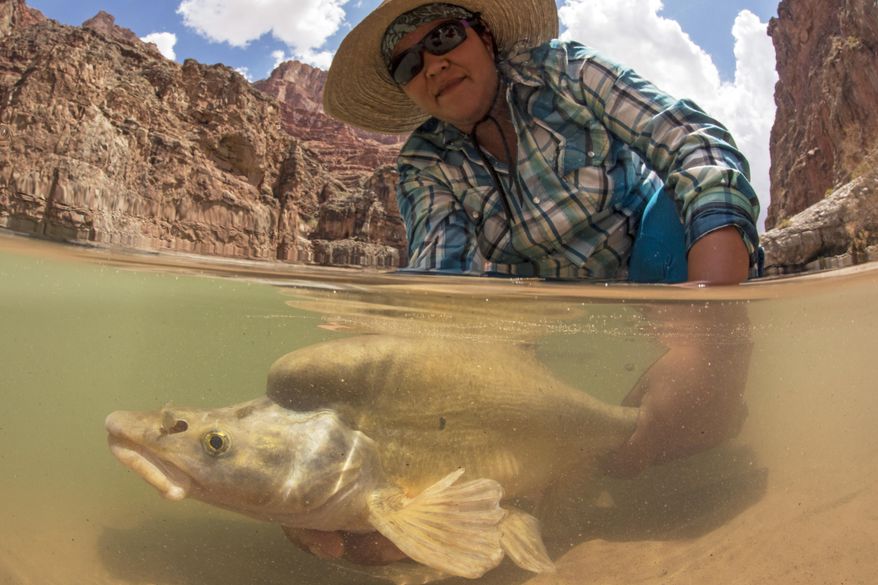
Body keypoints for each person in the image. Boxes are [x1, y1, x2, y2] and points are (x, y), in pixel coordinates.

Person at [310, 0, 759, 564]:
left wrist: (708, 321)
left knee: (698, 413)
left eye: (445, 36)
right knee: (584, 436)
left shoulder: (565, 71)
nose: (432, 65)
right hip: (544, 297)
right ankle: (567, 469)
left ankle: (697, 412)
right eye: (407, 64)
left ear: (487, 37)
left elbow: (692, 143)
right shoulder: (425, 163)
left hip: (655, 249)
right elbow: (438, 279)